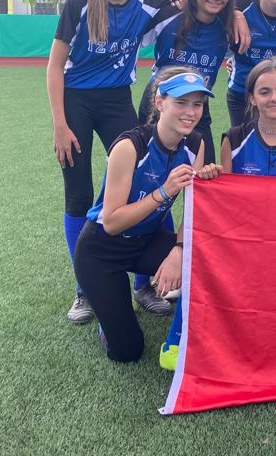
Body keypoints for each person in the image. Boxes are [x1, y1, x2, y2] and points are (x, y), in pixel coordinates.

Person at [156, 59, 276, 372]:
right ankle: (179, 339)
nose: (274, 98)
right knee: (205, 257)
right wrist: (210, 177)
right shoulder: (233, 138)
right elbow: (223, 200)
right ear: (252, 98)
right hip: (243, 241)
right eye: (265, 92)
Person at [47, 0, 176, 325]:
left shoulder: (151, 0)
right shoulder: (79, 2)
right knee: (79, 194)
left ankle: (145, 284)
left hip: (117, 100)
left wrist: (237, 12)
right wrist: (60, 125)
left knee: (146, 183)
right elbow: (55, 66)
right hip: (76, 103)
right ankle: (84, 289)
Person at [72, 66, 220, 363]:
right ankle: (108, 316)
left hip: (146, 241)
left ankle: (185, 335)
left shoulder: (196, 144)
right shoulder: (130, 146)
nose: (191, 112)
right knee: (127, 352)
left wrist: (179, 251)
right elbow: (111, 222)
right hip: (101, 250)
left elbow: (193, 210)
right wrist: (164, 191)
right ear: (159, 102)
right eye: (181, 102)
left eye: (198, 104)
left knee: (206, 261)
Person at [139, 0, 239, 166]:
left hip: (198, 104)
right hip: (160, 103)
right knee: (149, 171)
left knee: (204, 172)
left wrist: (239, 16)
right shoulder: (168, 15)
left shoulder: (229, 27)